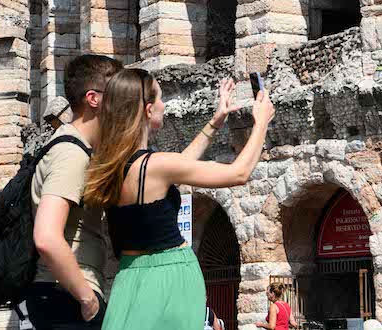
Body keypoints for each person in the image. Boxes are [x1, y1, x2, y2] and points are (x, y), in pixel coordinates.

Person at [85, 69, 275, 328]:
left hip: (129, 275)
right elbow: (239, 173)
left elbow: (180, 164)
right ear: (148, 109)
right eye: (161, 99)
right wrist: (261, 123)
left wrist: (215, 122)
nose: (165, 105)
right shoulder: (155, 165)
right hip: (171, 275)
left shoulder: (110, 166)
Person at [28, 53, 123, 329]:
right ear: (93, 99)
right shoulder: (71, 153)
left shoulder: (74, 147)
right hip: (66, 297)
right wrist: (87, 299)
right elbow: (46, 237)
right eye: (117, 94)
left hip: (64, 294)